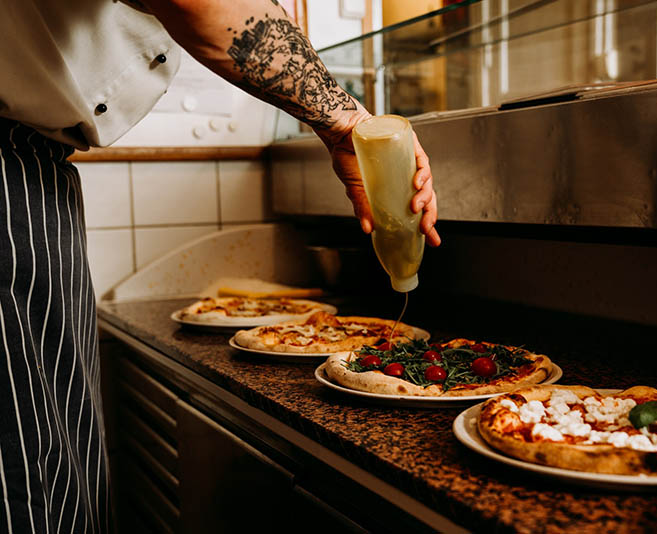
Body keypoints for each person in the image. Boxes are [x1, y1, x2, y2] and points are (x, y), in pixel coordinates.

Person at [0, 1, 440, 532]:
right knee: (32, 485)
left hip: (33, 169)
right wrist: (347, 121)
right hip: (8, 173)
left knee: (54, 466)